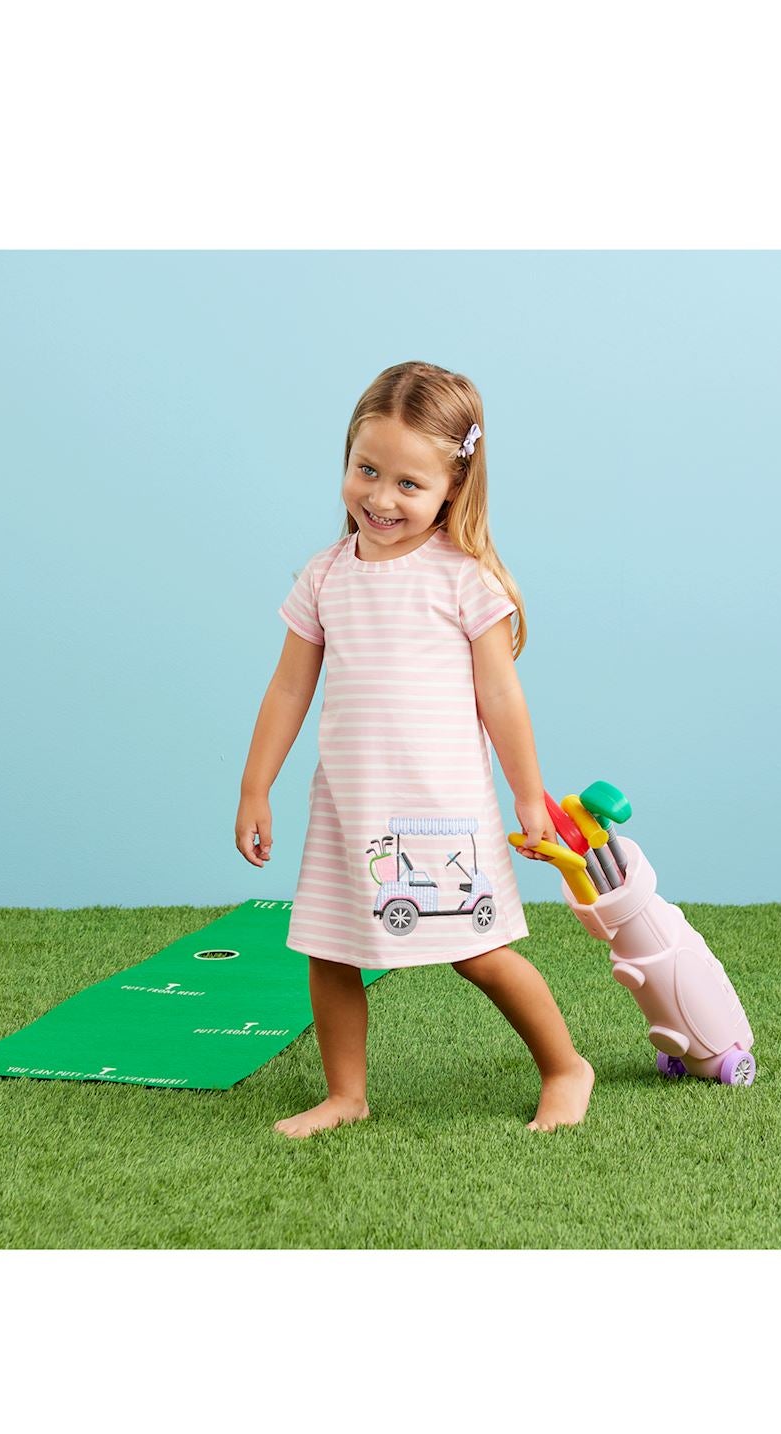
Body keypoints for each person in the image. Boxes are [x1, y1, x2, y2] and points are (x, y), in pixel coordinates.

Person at [235, 360, 594, 1139]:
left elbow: (501, 697)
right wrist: (254, 786)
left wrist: (530, 798)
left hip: (442, 816)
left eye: (408, 483)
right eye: (366, 470)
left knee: (480, 952)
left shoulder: (464, 582)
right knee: (329, 952)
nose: (380, 497)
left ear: (452, 490)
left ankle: (566, 1066)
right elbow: (289, 688)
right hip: (348, 808)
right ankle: (346, 1094)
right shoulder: (325, 576)